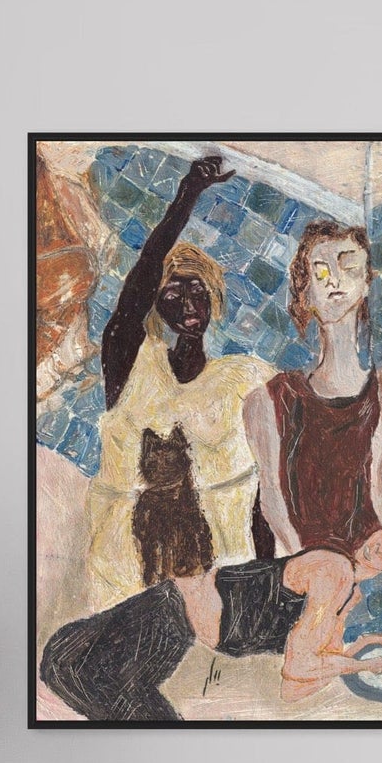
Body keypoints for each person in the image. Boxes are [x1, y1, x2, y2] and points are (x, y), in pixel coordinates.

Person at [84, 154, 272, 606]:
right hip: (128, 571)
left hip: (217, 574)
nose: (189, 302)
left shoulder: (242, 379)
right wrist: (187, 195)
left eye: (198, 290)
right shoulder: (133, 363)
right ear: (155, 303)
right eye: (173, 291)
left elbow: (263, 489)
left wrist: (263, 579)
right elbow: (133, 295)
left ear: (215, 299)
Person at [40, 521, 382, 723]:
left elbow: (294, 689)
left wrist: (350, 654)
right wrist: (369, 663)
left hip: (174, 637)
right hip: (162, 616)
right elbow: (299, 665)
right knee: (65, 666)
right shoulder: (333, 571)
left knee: (145, 722)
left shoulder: (347, 597)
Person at [244, 220, 382, 558]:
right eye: (319, 272)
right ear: (306, 295)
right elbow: (273, 501)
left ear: (366, 281)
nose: (333, 279)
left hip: (374, 567)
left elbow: (381, 489)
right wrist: (307, 567)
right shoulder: (269, 400)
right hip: (304, 571)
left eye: (348, 266)